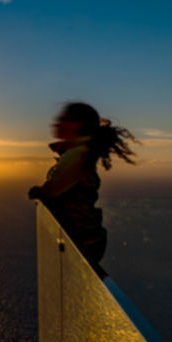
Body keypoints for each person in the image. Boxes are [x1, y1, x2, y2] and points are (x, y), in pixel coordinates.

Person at [28, 102, 137, 266]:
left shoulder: (77, 153)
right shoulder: (79, 151)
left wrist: (38, 191)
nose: (57, 123)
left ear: (78, 124)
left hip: (84, 240)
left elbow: (52, 190)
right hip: (88, 239)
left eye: (64, 119)